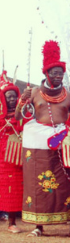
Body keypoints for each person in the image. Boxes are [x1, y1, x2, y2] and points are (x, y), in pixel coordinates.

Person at [16, 41, 70, 238]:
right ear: (46, 73)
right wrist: (22, 100)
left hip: (63, 144)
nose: (58, 76)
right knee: (37, 184)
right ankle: (38, 226)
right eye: (54, 73)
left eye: (61, 73)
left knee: (68, 182)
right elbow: (19, 116)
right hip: (38, 145)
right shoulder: (34, 93)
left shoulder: (69, 96)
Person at [0, 72, 24, 233]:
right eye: (8, 97)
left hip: (15, 155)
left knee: (13, 187)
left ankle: (12, 222)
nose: (12, 100)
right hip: (1, 156)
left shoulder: (22, 115)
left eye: (14, 97)